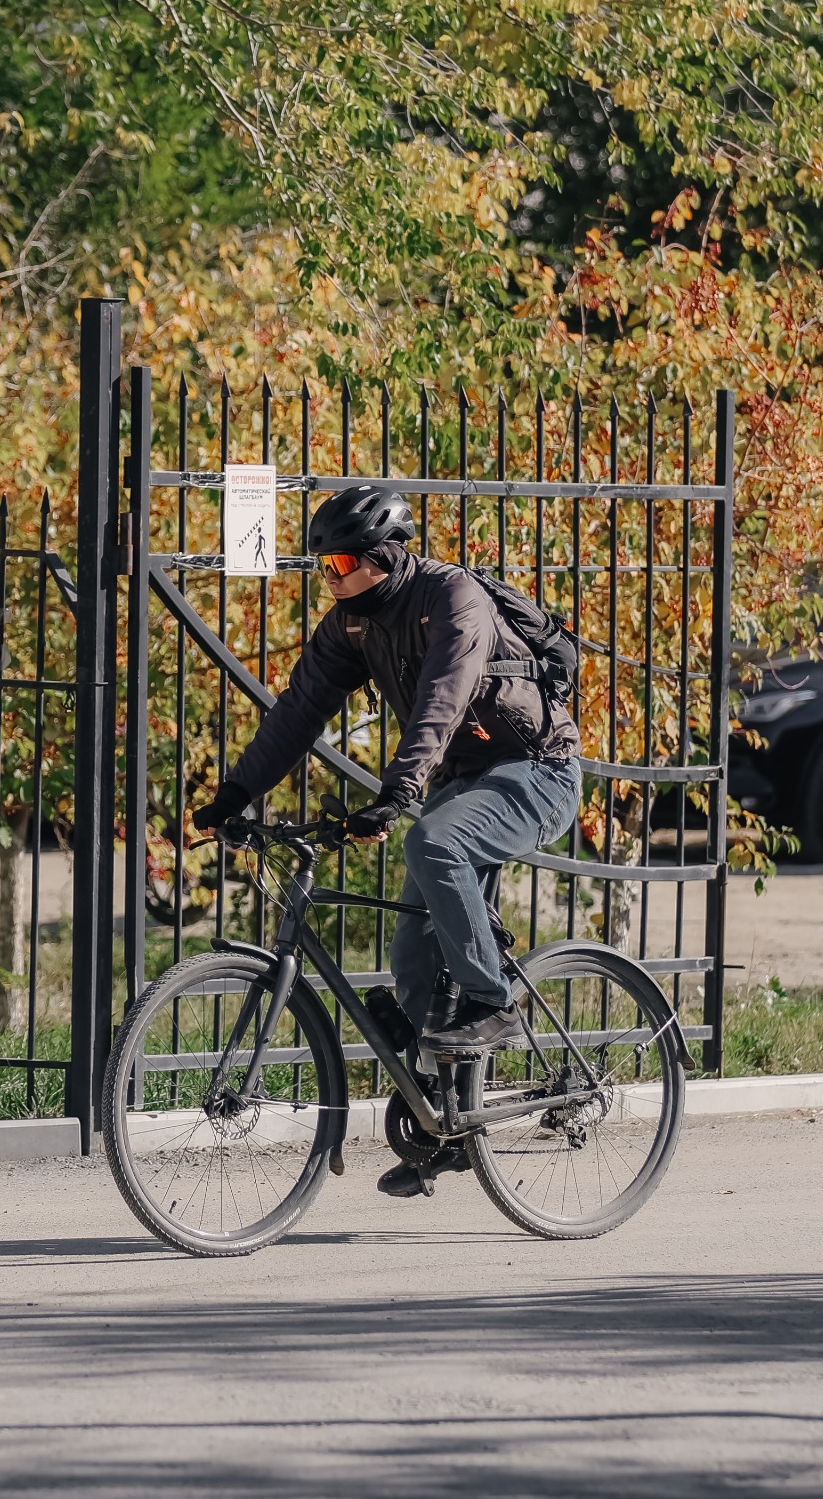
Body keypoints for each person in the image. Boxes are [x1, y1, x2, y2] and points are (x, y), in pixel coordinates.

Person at [192, 484, 582, 1197]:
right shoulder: (351, 625)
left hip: (535, 770)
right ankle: (448, 1129)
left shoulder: (452, 597)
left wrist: (398, 792)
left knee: (432, 842)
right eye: (321, 567)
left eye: (341, 562)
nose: (331, 577)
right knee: (411, 961)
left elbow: (443, 697)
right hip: (460, 782)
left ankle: (491, 1003)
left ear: (383, 555)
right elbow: (299, 711)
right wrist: (235, 792)